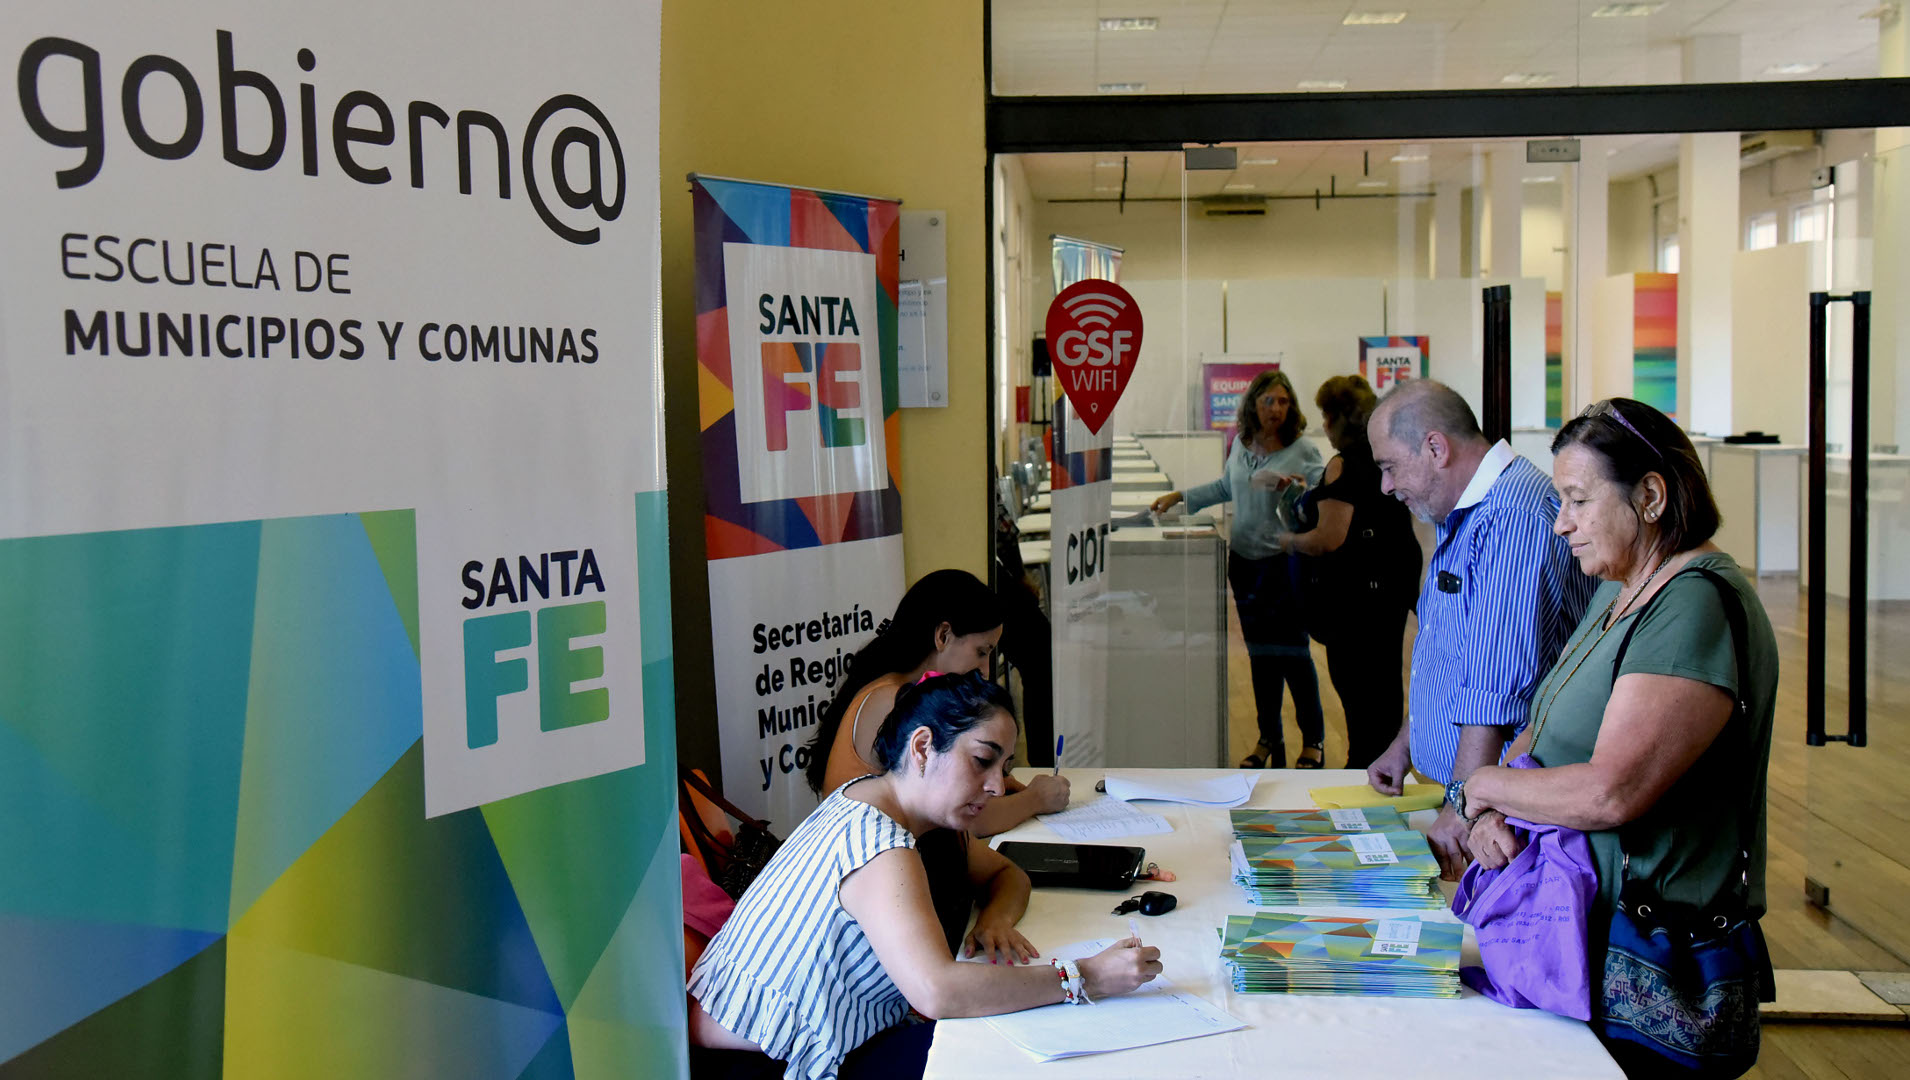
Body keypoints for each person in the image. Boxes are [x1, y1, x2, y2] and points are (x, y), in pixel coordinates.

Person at [1457, 398, 1778, 1077]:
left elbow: (1611, 793)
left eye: (1577, 500)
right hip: (1573, 938)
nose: (1561, 522)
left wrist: (1482, 785)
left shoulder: (1691, 602)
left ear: (1651, 497)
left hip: (1650, 959)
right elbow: (1542, 727)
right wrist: (1490, 813)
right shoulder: (1622, 584)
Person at [691, 673, 1164, 1080]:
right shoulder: (880, 846)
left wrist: (995, 921)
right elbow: (938, 990)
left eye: (1003, 767)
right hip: (765, 1065)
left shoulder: (878, 799)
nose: (996, 786)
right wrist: (1086, 976)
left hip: (794, 1045)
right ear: (922, 747)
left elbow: (1006, 874)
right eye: (982, 760)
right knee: (1008, 1052)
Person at [1364, 379, 1595, 878]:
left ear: (1435, 448)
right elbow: (1450, 654)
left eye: (1389, 466)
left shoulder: (1512, 519)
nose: (1385, 485)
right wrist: (1407, 743)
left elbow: (1494, 691)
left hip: (1505, 820)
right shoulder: (1467, 515)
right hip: (1477, 802)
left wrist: (1463, 806)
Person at [805, 570, 1069, 958]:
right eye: (981, 652)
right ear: (943, 635)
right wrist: (1036, 799)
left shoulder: (894, 691)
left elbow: (993, 862)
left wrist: (995, 919)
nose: (985, 671)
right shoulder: (895, 702)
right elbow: (969, 818)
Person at [1152, 369, 1327, 769]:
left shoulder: (1302, 449)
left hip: (1284, 565)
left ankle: (1313, 740)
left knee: (1294, 655)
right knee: (1261, 657)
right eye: (1269, 401)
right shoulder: (1242, 444)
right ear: (1253, 405)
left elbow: (1321, 500)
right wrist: (1181, 496)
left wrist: (1292, 488)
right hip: (1245, 565)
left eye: (1284, 402)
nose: (1276, 409)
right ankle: (1268, 739)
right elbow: (1224, 488)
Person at [1278, 375, 1420, 770]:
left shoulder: (1342, 465)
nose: (1324, 425)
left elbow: (1328, 538)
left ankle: (1363, 769)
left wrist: (1287, 540)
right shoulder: (1384, 460)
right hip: (1390, 595)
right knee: (1384, 691)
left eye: (1327, 416)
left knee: (1358, 695)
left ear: (1342, 419)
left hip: (1354, 604)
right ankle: (1384, 767)